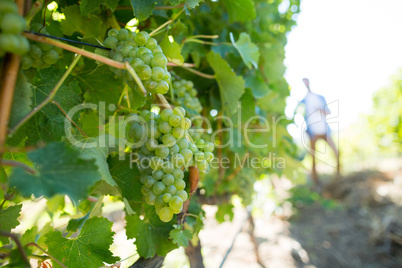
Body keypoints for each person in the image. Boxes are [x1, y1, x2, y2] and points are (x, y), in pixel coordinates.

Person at [299, 78, 340, 187]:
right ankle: (315, 181)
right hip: (312, 132)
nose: (306, 84)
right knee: (313, 157)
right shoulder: (303, 101)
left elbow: (328, 111)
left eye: (307, 82)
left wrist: (321, 110)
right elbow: (300, 115)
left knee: (336, 151)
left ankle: (338, 174)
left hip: (324, 130)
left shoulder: (319, 97)